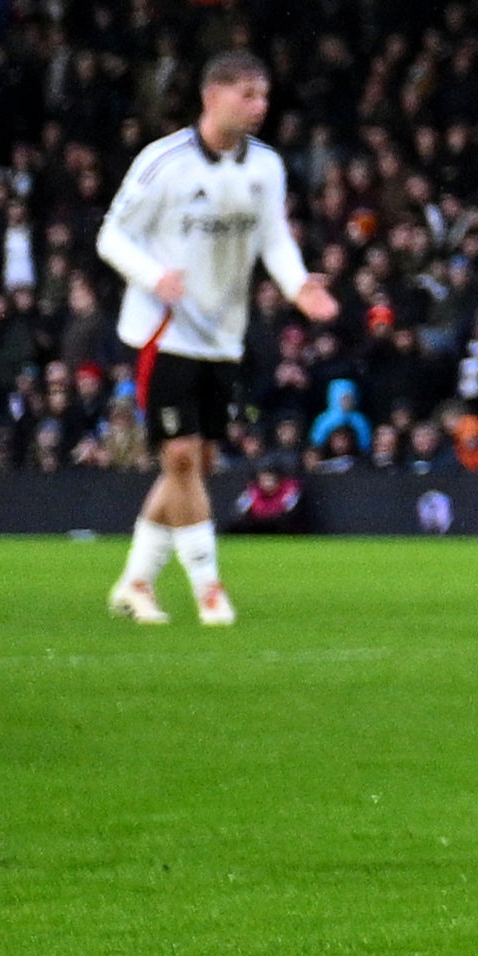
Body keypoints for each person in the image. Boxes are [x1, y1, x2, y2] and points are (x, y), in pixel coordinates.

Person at [96, 47, 336, 627]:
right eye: (248, 95)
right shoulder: (164, 162)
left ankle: (134, 583)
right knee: (179, 457)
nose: (260, 106)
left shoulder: (266, 167)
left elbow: (274, 239)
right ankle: (210, 591)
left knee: (195, 465)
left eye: (264, 96)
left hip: (225, 336)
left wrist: (299, 284)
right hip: (164, 329)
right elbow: (111, 237)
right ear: (212, 96)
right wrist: (157, 276)